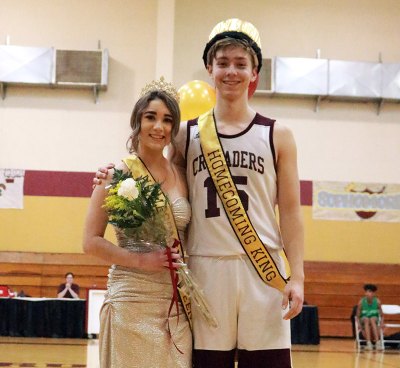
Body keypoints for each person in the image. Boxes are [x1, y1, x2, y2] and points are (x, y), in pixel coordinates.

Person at [94, 19, 304, 368]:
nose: (231, 71)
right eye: (223, 63)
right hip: (205, 270)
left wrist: (297, 276)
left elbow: (293, 213)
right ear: (210, 68)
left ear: (255, 72)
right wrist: (111, 175)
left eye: (241, 64)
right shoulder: (184, 135)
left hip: (262, 268)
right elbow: (157, 179)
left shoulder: (278, 135)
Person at [83, 79, 192, 368]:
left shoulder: (182, 174)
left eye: (168, 120)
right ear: (137, 121)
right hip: (132, 299)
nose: (159, 126)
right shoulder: (115, 174)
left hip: (177, 303)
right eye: (151, 117)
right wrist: (141, 261)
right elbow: (90, 241)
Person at [356, 283, 384, 351]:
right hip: (364, 319)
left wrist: (381, 324)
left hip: (374, 320)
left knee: (372, 319)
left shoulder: (377, 302)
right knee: (366, 319)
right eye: (366, 291)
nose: (368, 293)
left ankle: (377, 342)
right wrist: (360, 327)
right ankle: (368, 343)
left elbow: (382, 315)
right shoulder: (361, 302)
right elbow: (357, 316)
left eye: (370, 291)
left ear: (374, 293)